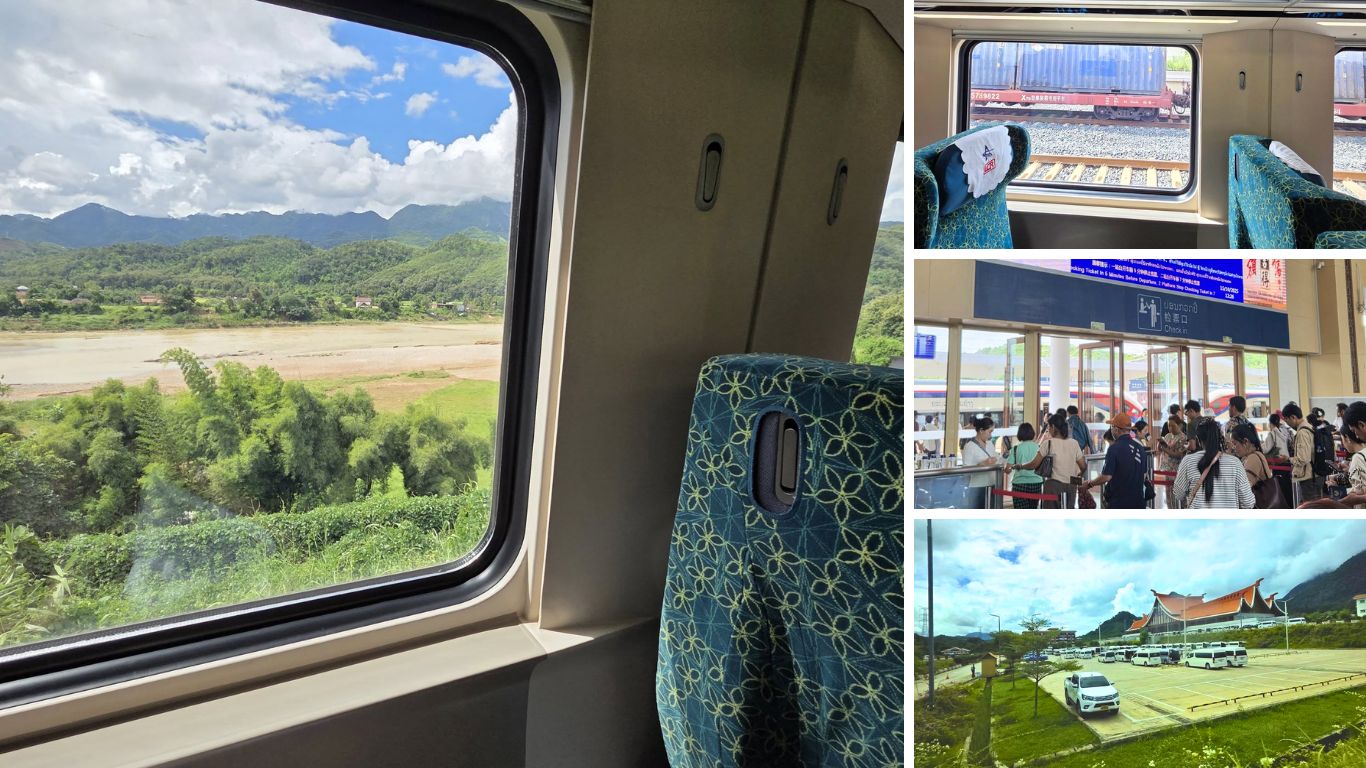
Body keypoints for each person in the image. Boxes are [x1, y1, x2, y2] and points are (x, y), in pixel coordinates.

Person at [1172, 418, 1256, 509]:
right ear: (1220, 438)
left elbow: (1178, 494)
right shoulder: (1235, 463)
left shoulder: (1188, 461)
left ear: (1198, 439)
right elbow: (1248, 502)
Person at [1016, 413, 1086, 509]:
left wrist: (1021, 466)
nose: (1048, 429)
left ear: (1053, 427)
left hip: (1053, 486)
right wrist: (1078, 475)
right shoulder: (1074, 443)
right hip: (1071, 485)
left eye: (1048, 426)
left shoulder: (1048, 443)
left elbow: (1034, 464)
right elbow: (1083, 466)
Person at [1081, 413, 1148, 509]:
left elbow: (1106, 476)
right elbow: (1144, 474)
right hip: (1139, 501)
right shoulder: (1140, 448)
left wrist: (1089, 484)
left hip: (1119, 502)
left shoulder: (1114, 448)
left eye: (1112, 427)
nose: (1111, 430)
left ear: (1116, 429)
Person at [1284, 403, 1323, 503]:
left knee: (1310, 507)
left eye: (1286, 420)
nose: (1287, 424)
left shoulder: (1302, 432)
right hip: (1316, 474)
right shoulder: (1310, 427)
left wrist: (1288, 459)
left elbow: (1303, 459)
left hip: (1309, 478)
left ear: (1293, 417)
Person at [961, 414, 1000, 508]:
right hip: (977, 488)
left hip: (991, 485)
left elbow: (997, 460)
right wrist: (982, 464)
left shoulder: (990, 444)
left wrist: (1005, 456)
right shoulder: (969, 446)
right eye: (989, 432)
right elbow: (966, 471)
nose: (991, 435)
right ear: (981, 430)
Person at [1004, 422, 1043, 509]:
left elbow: (1007, 470)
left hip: (1019, 484)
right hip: (1036, 483)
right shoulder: (1039, 447)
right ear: (1032, 433)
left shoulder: (1015, 449)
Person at [1227, 422, 1273, 494]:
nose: (1233, 447)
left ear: (1245, 441)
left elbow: (1243, 489)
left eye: (1235, 443)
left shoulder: (1253, 458)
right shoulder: (1251, 456)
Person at [1330, 426, 1366, 509]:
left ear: (1347, 438)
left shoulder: (1358, 457)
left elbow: (1361, 491)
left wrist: (1340, 490)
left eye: (1342, 439)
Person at [1157, 413, 1188, 508]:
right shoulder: (1167, 436)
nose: (1170, 428)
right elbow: (1160, 450)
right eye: (1168, 426)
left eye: (1172, 426)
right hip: (1167, 470)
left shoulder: (1183, 438)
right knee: (1169, 495)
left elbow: (1179, 454)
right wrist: (1160, 444)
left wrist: (1165, 449)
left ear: (1179, 425)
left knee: (1177, 495)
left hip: (1177, 470)